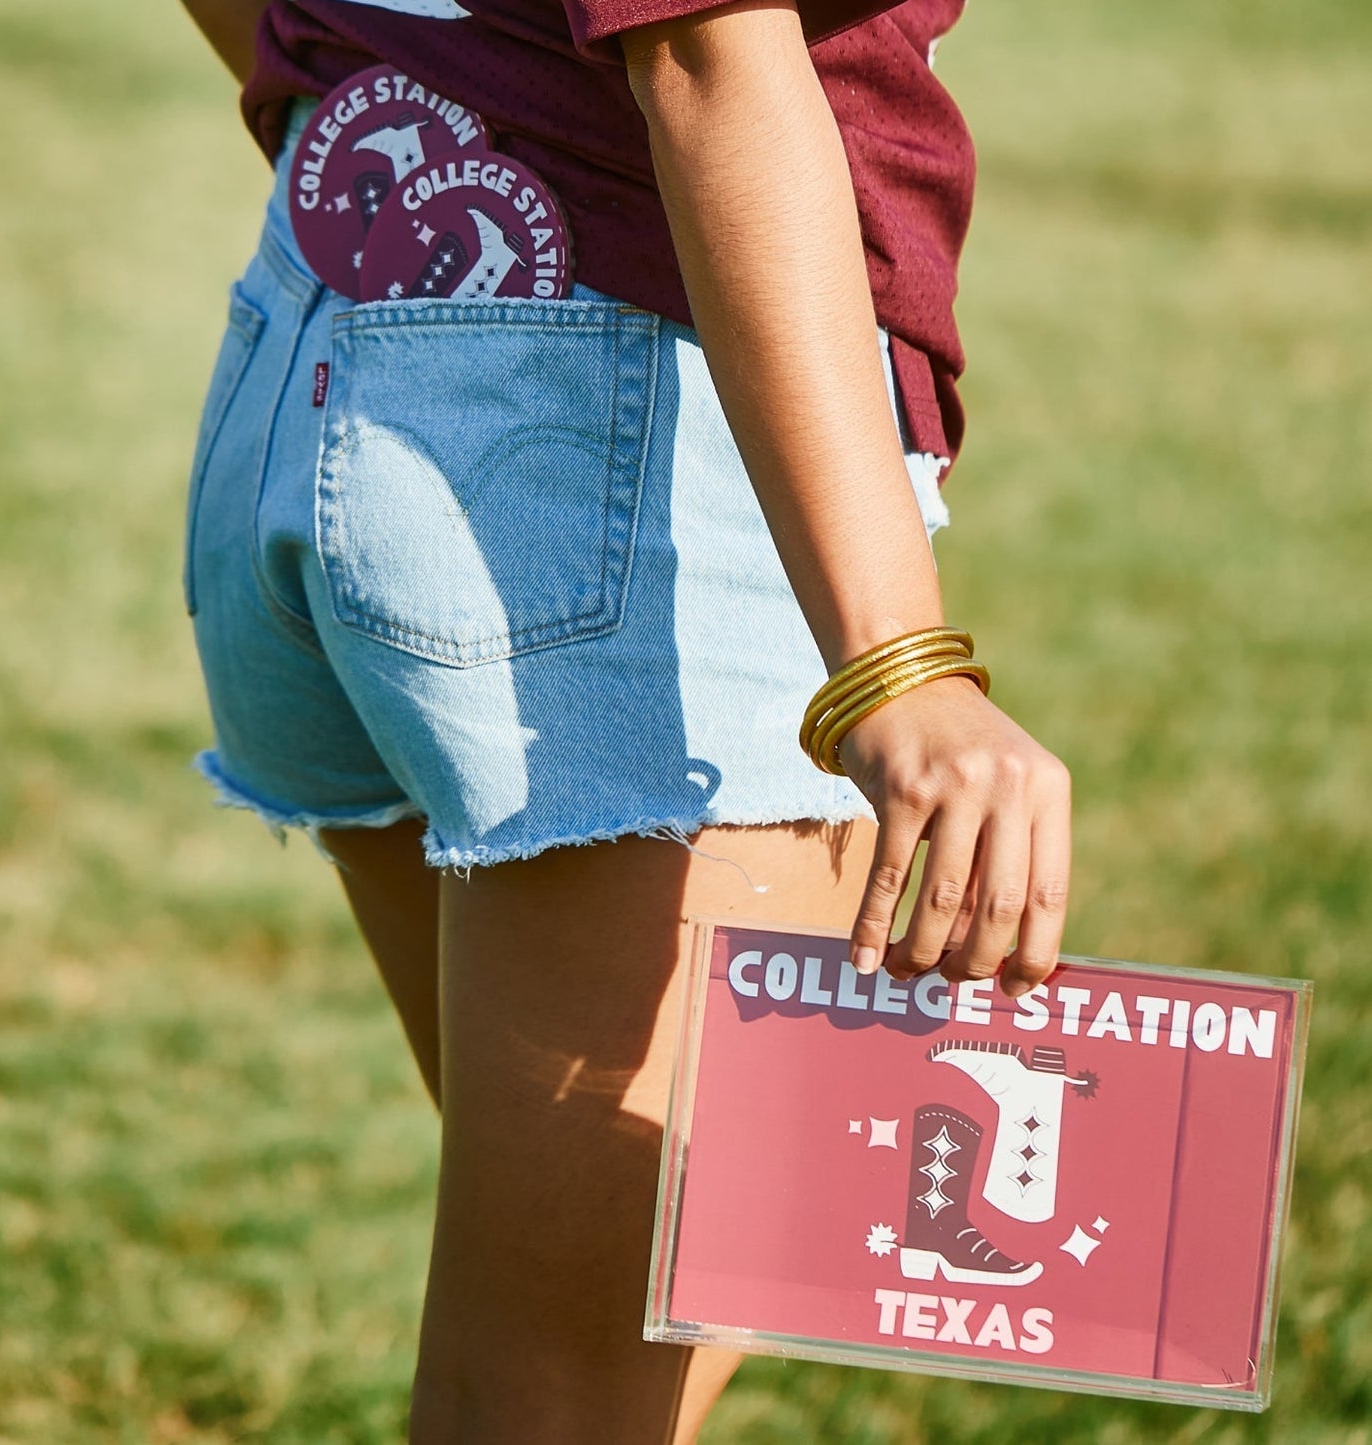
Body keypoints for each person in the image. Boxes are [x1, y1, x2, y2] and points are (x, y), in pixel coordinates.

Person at [176, 0, 1072, 1437]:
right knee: (558, 1388)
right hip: (608, 414)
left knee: (607, 1293)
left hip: (333, 336)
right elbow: (705, 49)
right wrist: (896, 663)